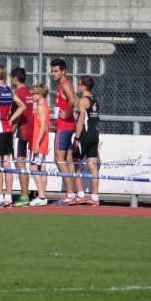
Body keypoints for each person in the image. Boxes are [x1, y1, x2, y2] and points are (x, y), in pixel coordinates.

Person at [0, 64, 26, 208]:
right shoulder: (9, 90)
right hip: (7, 130)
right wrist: (11, 119)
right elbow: (22, 106)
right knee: (7, 163)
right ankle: (8, 197)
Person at [50, 58, 78, 205]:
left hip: (63, 127)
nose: (53, 74)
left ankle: (70, 193)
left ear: (63, 71)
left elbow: (73, 100)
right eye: (52, 71)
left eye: (56, 71)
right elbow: (76, 100)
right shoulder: (65, 84)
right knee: (67, 160)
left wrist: (66, 115)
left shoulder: (65, 84)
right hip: (67, 127)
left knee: (58, 159)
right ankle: (72, 193)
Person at [72, 75, 100, 206]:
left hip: (85, 136)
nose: (77, 86)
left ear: (84, 87)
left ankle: (80, 194)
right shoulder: (96, 100)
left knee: (74, 164)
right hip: (95, 135)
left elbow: (81, 121)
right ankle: (94, 197)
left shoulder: (82, 101)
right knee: (92, 167)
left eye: (79, 84)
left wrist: (76, 138)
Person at [10, 67, 34, 207]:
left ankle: (24, 196)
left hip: (19, 131)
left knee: (19, 164)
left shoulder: (18, 93)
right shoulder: (28, 93)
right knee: (22, 163)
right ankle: (25, 195)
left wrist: (10, 127)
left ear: (15, 78)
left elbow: (18, 114)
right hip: (27, 131)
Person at [29, 83, 51, 206]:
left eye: (34, 94)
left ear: (40, 95)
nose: (32, 96)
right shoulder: (43, 107)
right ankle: (42, 195)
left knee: (33, 167)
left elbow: (43, 127)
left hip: (39, 142)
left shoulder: (41, 108)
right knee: (41, 168)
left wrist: (36, 143)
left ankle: (42, 196)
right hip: (40, 141)